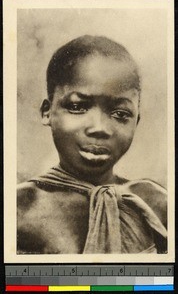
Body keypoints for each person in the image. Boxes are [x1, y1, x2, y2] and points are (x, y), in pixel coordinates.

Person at [17, 35, 167, 254]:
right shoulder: (19, 207)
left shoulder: (155, 203)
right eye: (78, 107)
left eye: (120, 113)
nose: (100, 128)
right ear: (47, 112)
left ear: (136, 120)